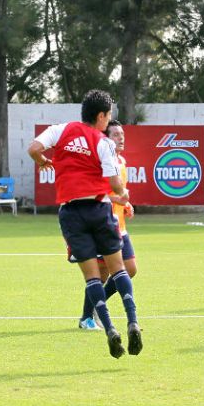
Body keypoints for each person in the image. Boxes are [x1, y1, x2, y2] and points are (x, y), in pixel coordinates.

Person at [27, 90, 143, 359]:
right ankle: (132, 321)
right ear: (101, 116)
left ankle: (110, 330)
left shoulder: (61, 130)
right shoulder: (103, 143)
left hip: (71, 213)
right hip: (100, 209)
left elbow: (34, 149)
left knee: (92, 277)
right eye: (109, 116)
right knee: (119, 270)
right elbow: (115, 184)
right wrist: (123, 194)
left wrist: (44, 161)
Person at [78, 120, 139, 330]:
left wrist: (126, 204)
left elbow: (118, 194)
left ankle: (97, 304)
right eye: (115, 134)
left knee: (130, 269)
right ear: (105, 138)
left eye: (122, 134)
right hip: (102, 226)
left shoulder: (121, 162)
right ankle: (87, 317)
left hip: (119, 227)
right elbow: (97, 194)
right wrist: (117, 201)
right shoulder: (100, 164)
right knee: (102, 275)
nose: (121, 138)